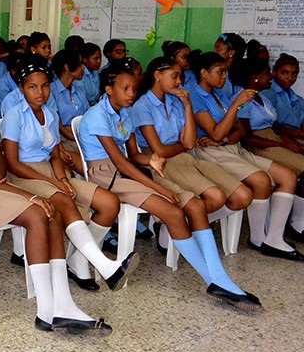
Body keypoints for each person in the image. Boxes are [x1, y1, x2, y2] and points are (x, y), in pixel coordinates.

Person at [0, 54, 110, 334]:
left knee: (50, 211)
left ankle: (63, 304)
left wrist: (3, 178)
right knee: (37, 212)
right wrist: (27, 195)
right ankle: (47, 311)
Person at [77, 63, 260, 309]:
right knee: (173, 211)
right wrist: (162, 190)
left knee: (185, 207)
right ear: (109, 89)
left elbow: (134, 156)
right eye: (125, 88)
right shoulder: (98, 115)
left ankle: (218, 280)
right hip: (106, 175)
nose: (132, 94)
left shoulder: (124, 112)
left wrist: (151, 160)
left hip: (126, 171)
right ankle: (217, 280)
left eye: (134, 88)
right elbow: (120, 162)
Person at [1, 60, 134, 292]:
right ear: (21, 88)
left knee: (109, 203)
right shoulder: (14, 115)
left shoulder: (50, 114)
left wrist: (62, 179)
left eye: (45, 86)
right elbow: (11, 163)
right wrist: (53, 182)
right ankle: (105, 266)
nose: (40, 92)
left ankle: (78, 260)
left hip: (51, 172)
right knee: (63, 200)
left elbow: (55, 154)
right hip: (24, 176)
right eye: (32, 87)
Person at [132, 56, 252, 254]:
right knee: (216, 196)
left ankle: (179, 226)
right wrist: (183, 146)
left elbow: (189, 142)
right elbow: (160, 151)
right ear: (157, 75)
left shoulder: (175, 101)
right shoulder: (142, 106)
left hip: (187, 156)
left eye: (180, 76)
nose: (179, 81)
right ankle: (179, 228)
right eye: (174, 76)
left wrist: (188, 106)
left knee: (243, 196)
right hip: (161, 162)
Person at [189, 52, 302, 261]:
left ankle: (275, 238)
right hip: (209, 153)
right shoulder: (195, 97)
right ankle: (258, 238)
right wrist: (233, 111)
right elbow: (215, 132)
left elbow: (238, 130)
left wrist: (223, 137)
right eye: (220, 72)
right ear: (204, 73)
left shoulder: (218, 94)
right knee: (261, 180)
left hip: (231, 147)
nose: (224, 77)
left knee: (288, 177)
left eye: (226, 72)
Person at [240, 56, 304, 243]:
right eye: (268, 73)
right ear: (255, 77)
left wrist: (289, 142)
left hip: (273, 138)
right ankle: (296, 223)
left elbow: (276, 126)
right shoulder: (244, 100)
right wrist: (283, 144)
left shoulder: (261, 97)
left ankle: (293, 223)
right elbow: (247, 137)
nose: (271, 76)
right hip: (259, 144)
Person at [50, 50, 89, 171]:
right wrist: (78, 138)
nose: (83, 68)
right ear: (67, 67)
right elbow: (58, 125)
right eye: (80, 64)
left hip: (81, 134)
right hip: (63, 138)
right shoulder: (51, 90)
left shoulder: (79, 90)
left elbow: (87, 116)